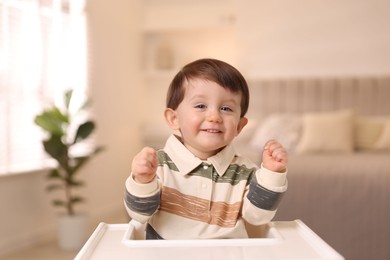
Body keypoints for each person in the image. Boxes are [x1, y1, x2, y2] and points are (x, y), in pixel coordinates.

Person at [124, 58, 288, 240]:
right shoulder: (159, 165)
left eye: (226, 108)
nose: (214, 116)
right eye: (201, 106)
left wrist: (272, 174)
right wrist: (143, 181)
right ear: (174, 119)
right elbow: (139, 215)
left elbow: (258, 218)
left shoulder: (245, 171)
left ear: (239, 126)